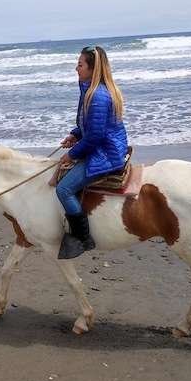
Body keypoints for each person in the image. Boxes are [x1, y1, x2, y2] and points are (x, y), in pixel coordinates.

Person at [56, 45, 129, 259]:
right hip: (102, 145)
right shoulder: (91, 91)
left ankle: (84, 238)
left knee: (63, 190)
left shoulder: (97, 96)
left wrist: (73, 153)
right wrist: (75, 134)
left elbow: (96, 137)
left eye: (79, 65)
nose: (75, 69)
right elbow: (91, 126)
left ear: (92, 69)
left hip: (105, 153)